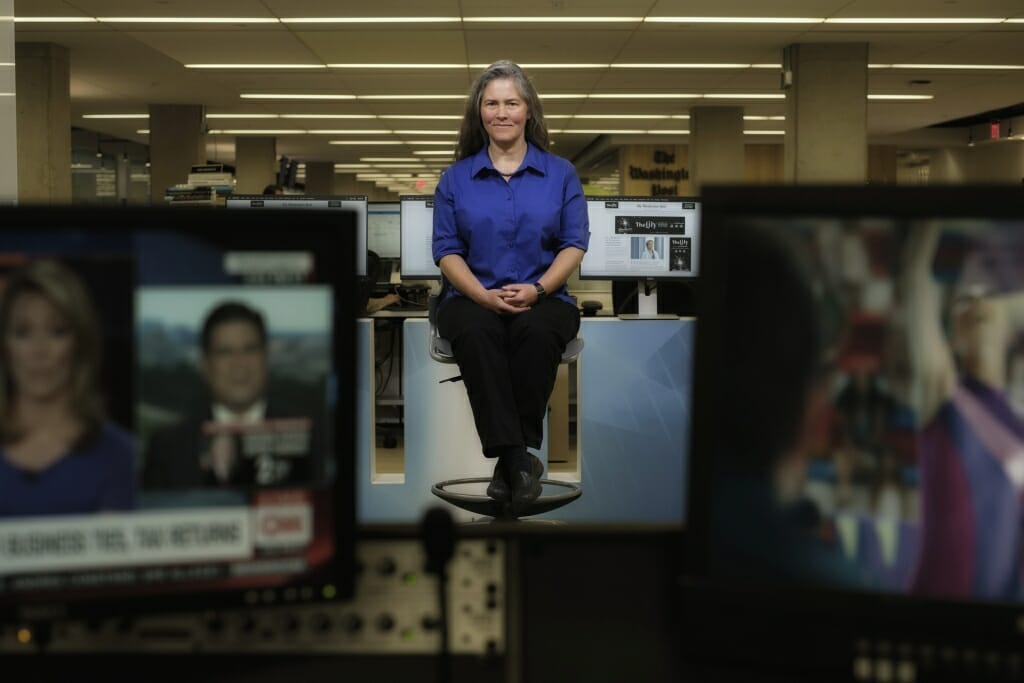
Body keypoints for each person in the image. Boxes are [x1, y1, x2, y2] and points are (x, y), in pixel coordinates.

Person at [432, 60, 589, 512]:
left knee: (537, 331)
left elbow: (574, 244)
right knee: (478, 330)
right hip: (470, 296)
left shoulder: (560, 174)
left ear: (528, 112)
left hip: (545, 296)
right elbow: (446, 249)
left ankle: (508, 465)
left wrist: (538, 290)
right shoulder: (455, 178)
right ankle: (519, 459)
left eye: (512, 103)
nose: (502, 112)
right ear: (479, 112)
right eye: (492, 103)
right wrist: (481, 295)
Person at [900, 223, 1024, 599]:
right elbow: (914, 278)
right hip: (935, 620)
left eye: (986, 298)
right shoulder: (945, 395)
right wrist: (935, 202)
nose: (975, 304)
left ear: (1009, 332)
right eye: (963, 302)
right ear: (953, 337)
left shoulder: (1019, 425)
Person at [0, 259, 135, 517]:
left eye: (57, 332)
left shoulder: (122, 458)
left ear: (80, 343)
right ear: (5, 347)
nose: (39, 351)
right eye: (22, 333)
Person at [142, 300, 321, 490]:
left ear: (266, 357)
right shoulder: (168, 447)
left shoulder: (310, 438)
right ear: (205, 365)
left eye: (250, 349)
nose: (239, 364)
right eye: (225, 352)